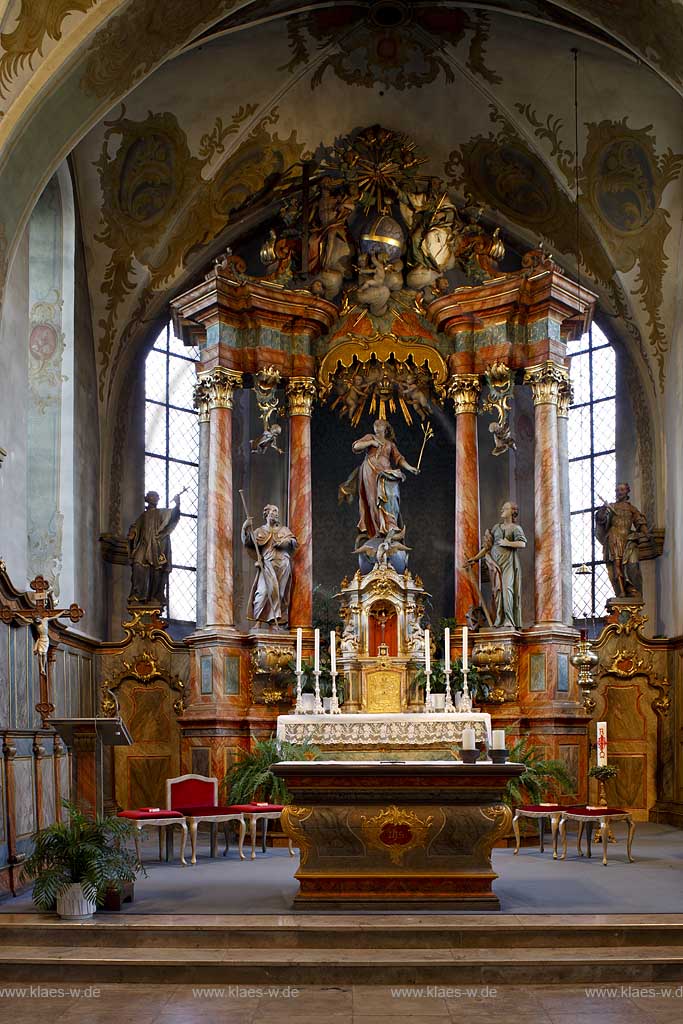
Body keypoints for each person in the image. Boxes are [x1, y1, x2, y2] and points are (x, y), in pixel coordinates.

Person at [350, 419, 419, 539]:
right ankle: (376, 532)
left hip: (386, 473)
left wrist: (410, 468)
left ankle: (389, 527)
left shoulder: (390, 444)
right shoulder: (370, 437)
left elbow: (399, 458)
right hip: (370, 470)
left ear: (386, 428)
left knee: (391, 497)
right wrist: (370, 442)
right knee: (372, 500)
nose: (377, 425)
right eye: (375, 424)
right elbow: (356, 446)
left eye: (380, 424)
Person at [468, 501, 527, 629]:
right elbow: (487, 547)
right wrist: (475, 558)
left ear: (512, 511)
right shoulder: (496, 528)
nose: (502, 509)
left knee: (507, 590)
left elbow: (522, 543)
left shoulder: (516, 528)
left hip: (509, 564)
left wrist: (508, 543)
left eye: (505, 508)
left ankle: (509, 620)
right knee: (497, 592)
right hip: (495, 565)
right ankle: (499, 619)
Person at [242, 504, 297, 627]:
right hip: (267, 564)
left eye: (277, 511)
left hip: (283, 564)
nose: (276, 514)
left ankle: (273, 622)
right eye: (273, 511)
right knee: (263, 592)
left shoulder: (284, 530)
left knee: (280, 594)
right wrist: (245, 529)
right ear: (266, 514)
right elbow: (249, 543)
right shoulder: (260, 531)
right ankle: (259, 621)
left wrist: (286, 542)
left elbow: (294, 542)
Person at [127, 491, 181, 608]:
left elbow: (172, 516)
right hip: (143, 544)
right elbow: (136, 527)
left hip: (156, 546)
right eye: (152, 495)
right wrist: (133, 533)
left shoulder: (161, 512)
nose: (155, 498)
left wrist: (177, 505)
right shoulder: (143, 516)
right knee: (137, 564)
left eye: (157, 496)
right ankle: (137, 594)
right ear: (147, 498)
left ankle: (155, 596)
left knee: (157, 570)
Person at [595, 482, 649, 599]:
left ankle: (632, 590)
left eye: (622, 490)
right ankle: (621, 593)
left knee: (633, 565)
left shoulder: (632, 509)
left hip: (628, 540)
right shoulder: (612, 507)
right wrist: (603, 510)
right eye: (617, 490)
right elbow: (601, 520)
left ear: (627, 491)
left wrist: (647, 533)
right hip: (614, 537)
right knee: (616, 565)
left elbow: (640, 522)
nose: (619, 492)